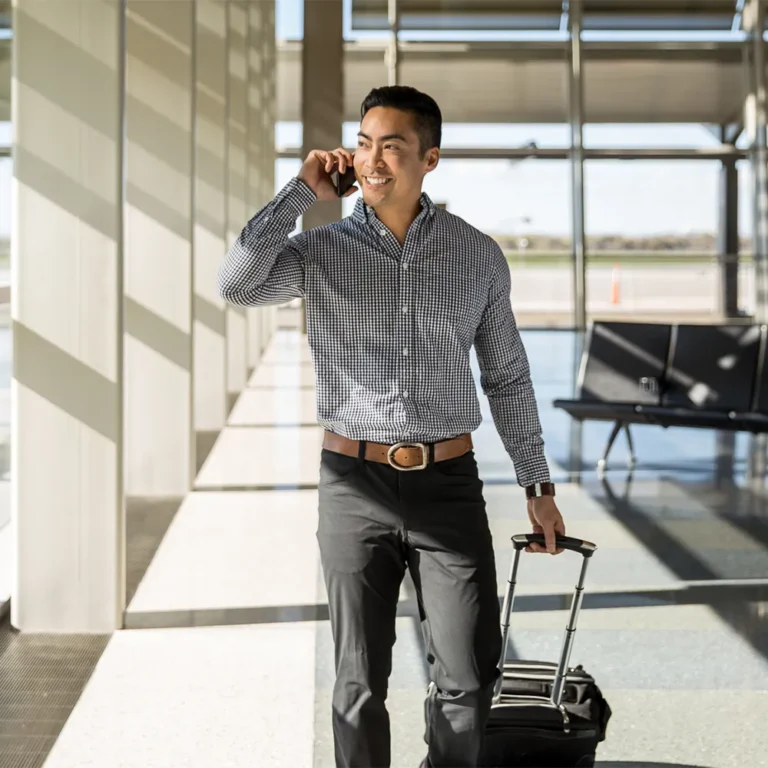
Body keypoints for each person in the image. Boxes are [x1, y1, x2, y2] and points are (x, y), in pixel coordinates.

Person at [218, 85, 566, 768]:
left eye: (393, 146)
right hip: (352, 483)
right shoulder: (320, 251)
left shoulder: (477, 256)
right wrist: (299, 191)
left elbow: (508, 376)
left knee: (466, 675)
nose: (373, 159)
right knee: (357, 683)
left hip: (449, 486)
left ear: (429, 159)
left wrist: (537, 481)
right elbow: (236, 283)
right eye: (365, 142)